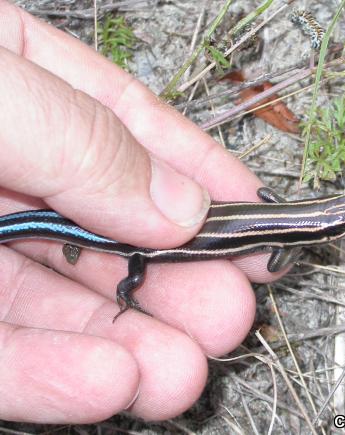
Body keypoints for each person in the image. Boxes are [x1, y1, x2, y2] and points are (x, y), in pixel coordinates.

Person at [0, 0, 282, 423]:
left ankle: (109, 276)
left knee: (67, 232)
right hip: (138, 242)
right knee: (105, 252)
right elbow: (276, 256)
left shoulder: (281, 212)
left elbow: (266, 199)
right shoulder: (279, 244)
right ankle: (121, 289)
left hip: (133, 241)